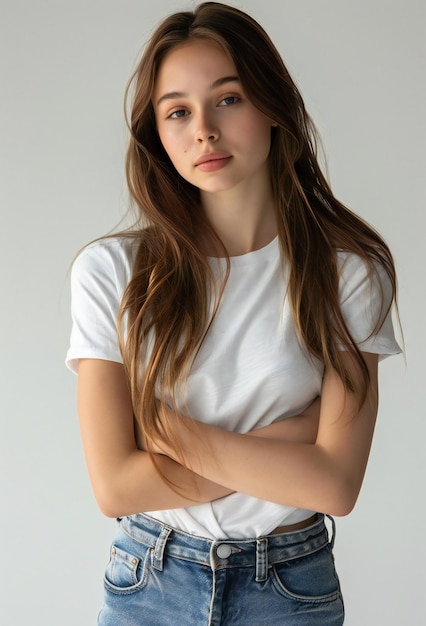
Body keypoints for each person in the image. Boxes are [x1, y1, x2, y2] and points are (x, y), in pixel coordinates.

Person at [66, 2, 401, 624]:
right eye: (178, 112)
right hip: (149, 580)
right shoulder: (113, 273)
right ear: (158, 135)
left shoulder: (347, 272)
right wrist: (295, 441)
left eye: (229, 99)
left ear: (273, 105)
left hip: (290, 586)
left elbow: (334, 486)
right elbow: (115, 486)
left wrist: (164, 431)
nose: (204, 131)